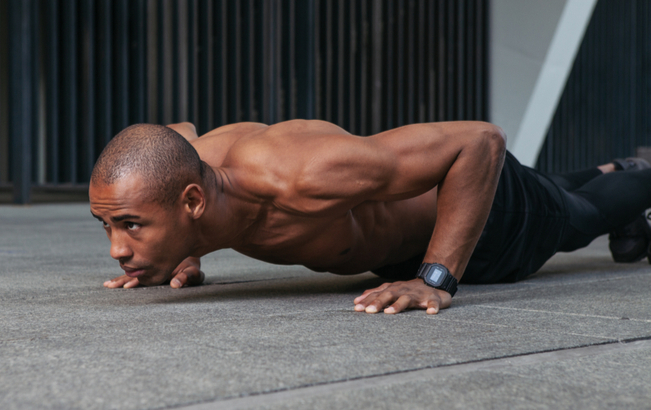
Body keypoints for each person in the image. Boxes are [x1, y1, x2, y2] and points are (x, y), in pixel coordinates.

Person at [89, 120, 651, 315]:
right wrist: (178, 249)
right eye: (110, 225)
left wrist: (436, 278)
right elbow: (176, 133)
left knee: (584, 215)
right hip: (436, 208)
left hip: (485, 218)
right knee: (557, 188)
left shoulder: (298, 176)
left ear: (191, 201)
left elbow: (480, 143)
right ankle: (615, 165)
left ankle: (639, 174)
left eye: (131, 225)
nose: (117, 247)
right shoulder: (190, 165)